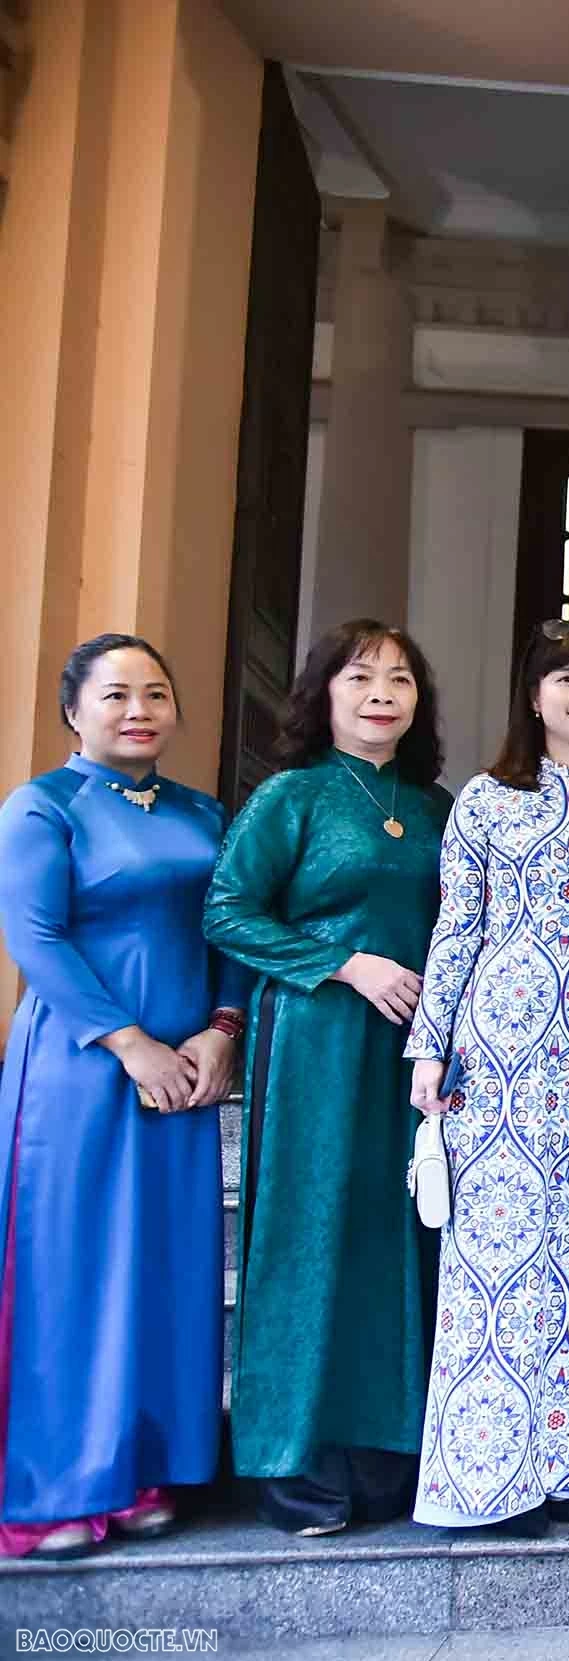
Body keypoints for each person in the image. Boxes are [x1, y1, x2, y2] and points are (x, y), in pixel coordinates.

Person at [204, 619, 456, 1534]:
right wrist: (347, 964)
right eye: (360, 677)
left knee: (398, 1234)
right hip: (316, 1043)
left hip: (415, 1053)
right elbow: (227, 911)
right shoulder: (292, 796)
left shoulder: (435, 806)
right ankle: (293, 1456)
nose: (381, 693)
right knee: (310, 1232)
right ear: (324, 693)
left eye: (400, 678)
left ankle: (387, 1448)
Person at [403, 619, 569, 1536]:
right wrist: (430, 1047)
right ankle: (492, 1480)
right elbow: (456, 927)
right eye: (568, 678)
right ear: (535, 696)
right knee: (499, 1265)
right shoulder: (487, 799)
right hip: (499, 1053)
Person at [0, 637, 244, 1560]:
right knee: (74, 1267)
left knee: (164, 1264)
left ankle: (146, 1468)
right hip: (80, 1068)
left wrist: (222, 1029)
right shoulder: (43, 806)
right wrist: (128, 1043)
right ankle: (58, 1482)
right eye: (115, 695)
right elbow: (36, 937)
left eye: (155, 693)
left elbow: (229, 926)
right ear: (74, 711)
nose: (138, 709)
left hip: (187, 1068)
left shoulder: (203, 812)